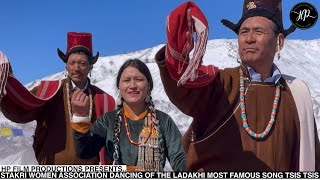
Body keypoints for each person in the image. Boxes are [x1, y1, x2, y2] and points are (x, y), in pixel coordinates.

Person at [155, 1, 320, 171]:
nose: (249, 39)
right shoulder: (220, 83)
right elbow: (184, 87)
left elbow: (311, 161)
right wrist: (179, 55)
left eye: (258, 31)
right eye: (243, 32)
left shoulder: (296, 93)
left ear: (279, 41)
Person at [0, 32, 115, 164]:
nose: (76, 68)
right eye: (72, 63)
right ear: (66, 66)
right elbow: (21, 112)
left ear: (90, 67)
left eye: (82, 63)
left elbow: (109, 142)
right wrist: (5, 86)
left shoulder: (103, 100)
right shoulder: (49, 91)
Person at [72, 59, 186, 171]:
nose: (132, 85)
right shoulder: (108, 121)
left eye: (139, 79)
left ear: (149, 85)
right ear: (119, 87)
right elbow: (84, 152)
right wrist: (80, 116)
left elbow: (179, 159)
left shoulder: (164, 121)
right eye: (126, 80)